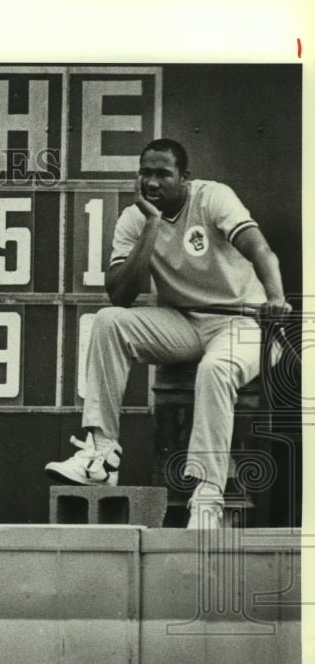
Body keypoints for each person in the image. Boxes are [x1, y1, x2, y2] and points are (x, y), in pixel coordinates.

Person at [44, 138, 291, 528]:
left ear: (185, 178)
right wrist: (152, 224)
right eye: (146, 173)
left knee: (215, 369)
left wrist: (276, 298)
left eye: (163, 174)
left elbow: (262, 250)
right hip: (183, 322)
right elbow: (121, 295)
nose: (152, 182)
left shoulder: (213, 198)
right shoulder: (135, 219)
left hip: (241, 324)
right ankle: (102, 454)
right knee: (108, 321)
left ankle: (208, 494)